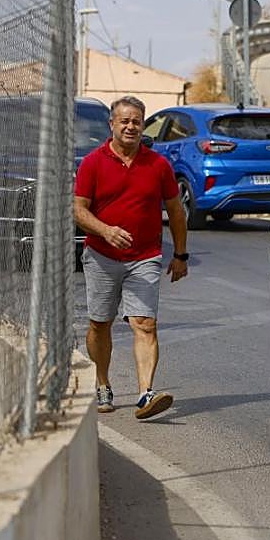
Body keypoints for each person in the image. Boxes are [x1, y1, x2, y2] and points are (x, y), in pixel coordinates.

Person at [73, 96, 189, 419]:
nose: (130, 126)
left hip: (145, 256)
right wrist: (105, 230)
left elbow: (176, 212)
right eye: (124, 121)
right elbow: (78, 210)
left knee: (145, 324)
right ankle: (102, 382)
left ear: (142, 125)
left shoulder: (158, 165)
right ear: (111, 125)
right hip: (101, 255)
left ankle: (144, 395)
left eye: (136, 121)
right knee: (100, 324)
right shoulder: (93, 163)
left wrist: (180, 253)